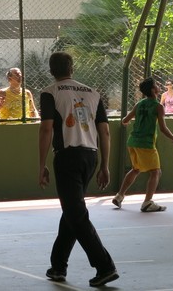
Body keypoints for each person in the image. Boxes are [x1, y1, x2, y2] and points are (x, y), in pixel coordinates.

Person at [38, 52, 119, 287]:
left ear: (52, 71)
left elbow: (46, 130)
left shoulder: (50, 92)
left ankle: (105, 266)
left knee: (76, 213)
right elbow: (104, 132)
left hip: (68, 158)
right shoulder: (93, 93)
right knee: (72, 211)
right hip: (90, 158)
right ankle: (58, 266)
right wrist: (104, 165)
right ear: (72, 68)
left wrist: (41, 164)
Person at [113, 77, 173, 211]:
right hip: (146, 143)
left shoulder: (140, 104)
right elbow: (162, 128)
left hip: (132, 142)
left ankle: (119, 196)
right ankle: (147, 202)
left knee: (136, 169)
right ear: (153, 90)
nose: (158, 85)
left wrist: (131, 122)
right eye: (156, 84)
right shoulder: (158, 106)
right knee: (156, 172)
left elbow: (124, 120)